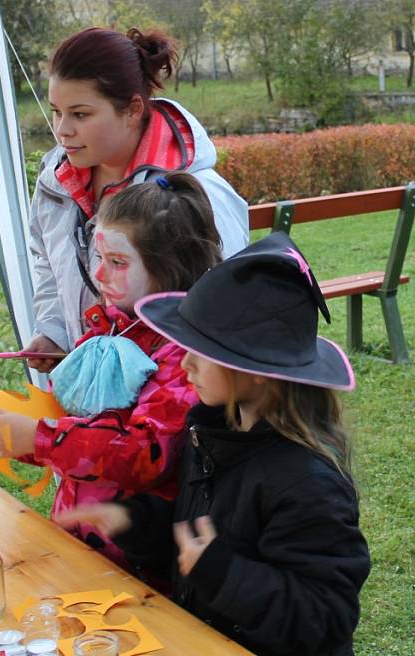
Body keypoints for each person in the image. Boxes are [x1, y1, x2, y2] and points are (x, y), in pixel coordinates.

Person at [57, 232, 371, 655]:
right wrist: (139, 524)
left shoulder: (306, 483)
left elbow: (324, 617)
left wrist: (221, 573)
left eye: (200, 351)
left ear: (256, 367)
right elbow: (205, 528)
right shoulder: (214, 432)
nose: (184, 362)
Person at [0, 173, 221, 573]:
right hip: (81, 541)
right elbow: (77, 429)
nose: (99, 275)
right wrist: (23, 439)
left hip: (142, 561)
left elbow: (147, 455)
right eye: (99, 258)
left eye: (117, 262)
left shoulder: (183, 356)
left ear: (168, 268)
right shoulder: (105, 327)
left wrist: (41, 439)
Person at [25, 27, 249, 374]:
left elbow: (223, 315)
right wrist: (57, 333)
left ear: (131, 110)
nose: (62, 129)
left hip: (165, 406)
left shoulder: (195, 196)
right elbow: (46, 260)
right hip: (89, 397)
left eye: (80, 114)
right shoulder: (56, 181)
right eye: (56, 111)